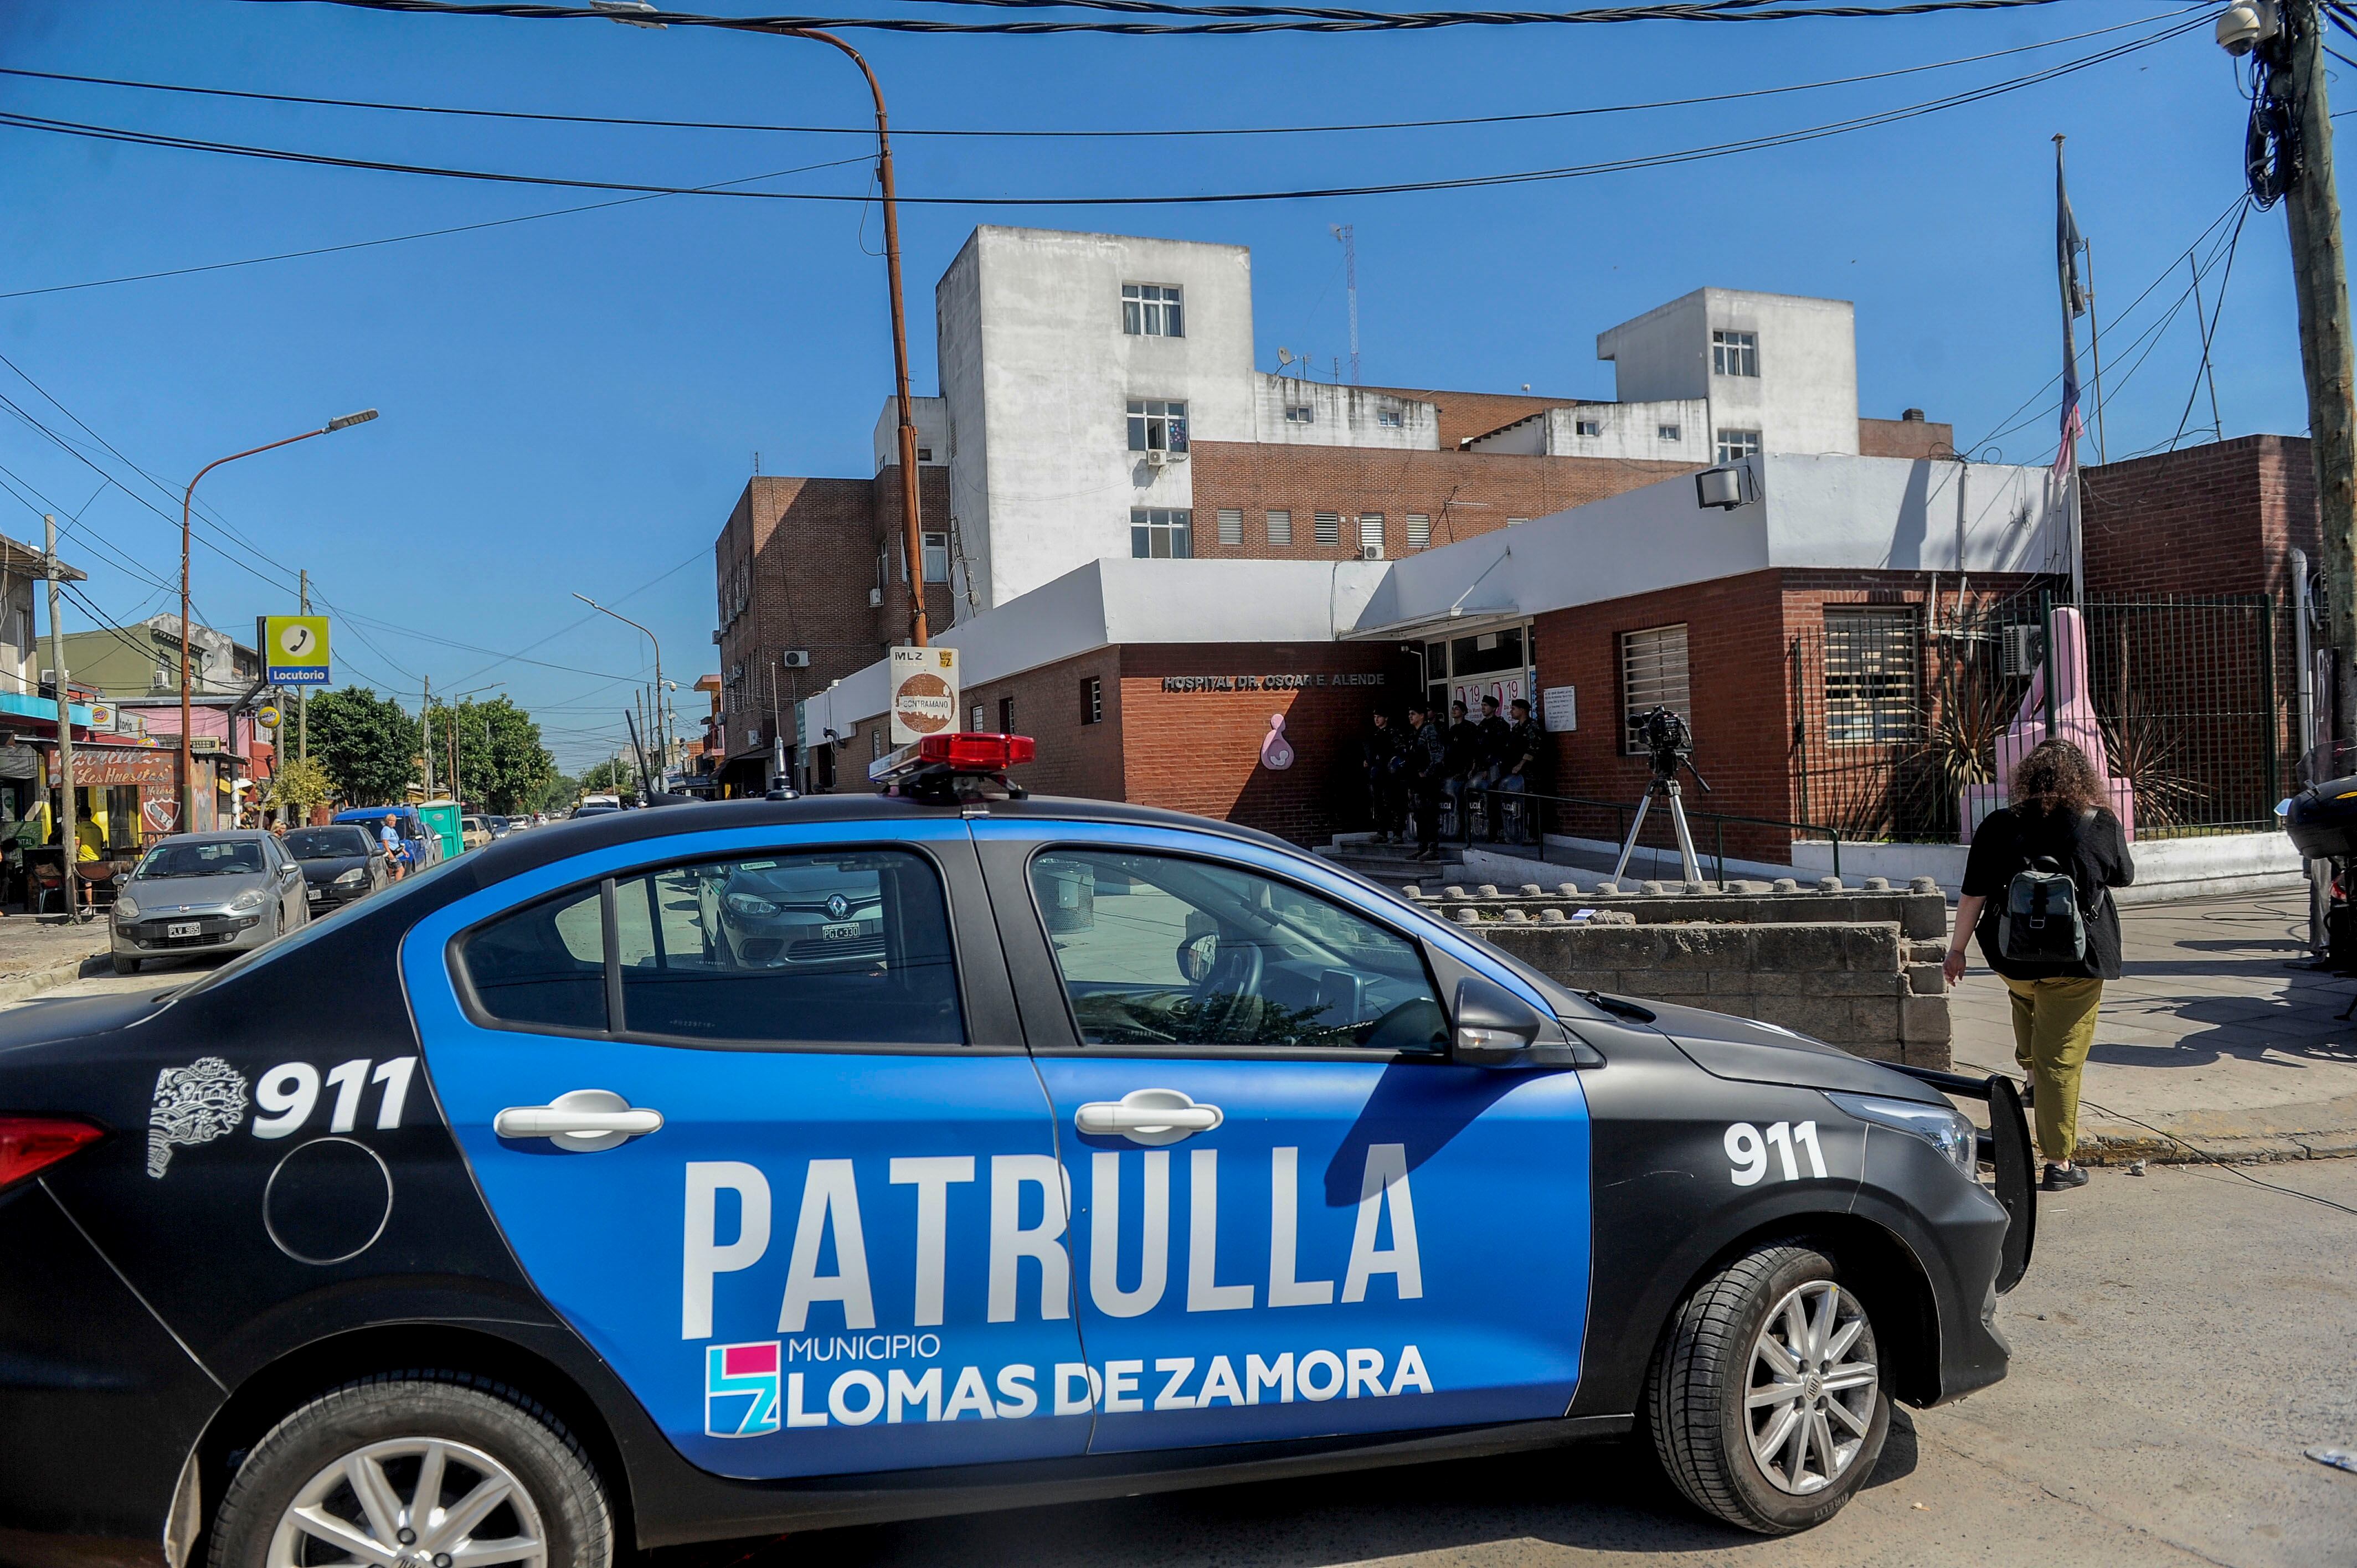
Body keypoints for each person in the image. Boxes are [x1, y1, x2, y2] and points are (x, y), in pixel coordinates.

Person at [1944, 738, 2134, 1192]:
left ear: (2027, 777)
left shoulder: (1997, 825)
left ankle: (2030, 1077)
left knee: (2026, 997)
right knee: (2062, 1063)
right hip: (2078, 962)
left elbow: (1974, 893)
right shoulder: (2099, 823)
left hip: (2015, 958)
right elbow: (2123, 875)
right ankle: (2059, 1162)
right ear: (2083, 779)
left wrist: (1957, 951)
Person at [1490, 697, 1547, 845]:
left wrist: (1521, 765)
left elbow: (1533, 749)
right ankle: (1512, 833)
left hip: (1530, 774)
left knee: (1532, 804)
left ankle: (1533, 835)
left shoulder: (1533, 726)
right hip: (1515, 775)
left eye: (1514, 709)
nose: (1511, 711)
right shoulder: (1516, 729)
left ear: (1523, 710)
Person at [1402, 700, 1448, 862]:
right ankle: (1421, 847)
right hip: (1416, 782)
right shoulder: (1413, 733)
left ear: (1422, 716)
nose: (1410, 717)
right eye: (1409, 714)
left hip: (1428, 782)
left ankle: (1432, 848)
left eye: (1413, 714)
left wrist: (1427, 774)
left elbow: (1437, 755)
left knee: (1430, 815)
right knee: (1419, 817)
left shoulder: (1429, 730)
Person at [1466, 695, 1514, 841]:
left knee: (1494, 798)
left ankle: (1498, 831)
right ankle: (1486, 831)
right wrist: (1474, 767)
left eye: (1486, 705)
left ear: (1494, 708)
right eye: (1482, 705)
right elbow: (1477, 749)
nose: (1483, 708)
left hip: (1494, 767)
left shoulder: (1500, 725)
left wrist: (1487, 767)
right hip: (1482, 768)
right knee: (1483, 800)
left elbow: (1498, 748)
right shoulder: (1481, 726)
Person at [1360, 709, 1405, 844]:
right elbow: (1373, 753)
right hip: (1378, 774)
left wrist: (1395, 767)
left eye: (1379, 717)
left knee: (1394, 803)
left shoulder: (1394, 733)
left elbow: (1400, 752)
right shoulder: (1375, 734)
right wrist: (1368, 761)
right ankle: (1382, 832)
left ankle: (1398, 834)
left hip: (1391, 775)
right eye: (1375, 717)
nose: (1377, 720)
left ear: (1386, 718)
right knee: (1379, 804)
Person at [1440, 700, 1479, 843]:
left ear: (1464, 711)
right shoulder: (1452, 730)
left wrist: (1467, 771)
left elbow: (1473, 752)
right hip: (1452, 771)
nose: (1454, 711)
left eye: (1457, 709)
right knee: (1453, 803)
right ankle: (1453, 830)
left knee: (1463, 802)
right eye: (1453, 709)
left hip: (1465, 771)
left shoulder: (1470, 728)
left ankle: (1464, 831)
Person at [379, 815, 408, 883]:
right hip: (390, 855)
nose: (392, 822)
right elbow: (385, 842)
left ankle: (388, 885)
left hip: (394, 854)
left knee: (390, 871)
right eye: (390, 821)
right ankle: (398, 886)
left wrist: (403, 851)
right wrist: (390, 854)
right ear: (387, 821)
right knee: (400, 870)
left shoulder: (392, 830)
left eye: (394, 821)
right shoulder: (386, 830)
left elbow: (396, 843)